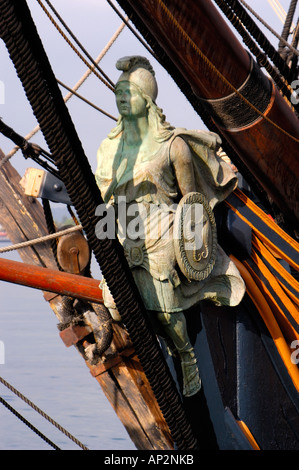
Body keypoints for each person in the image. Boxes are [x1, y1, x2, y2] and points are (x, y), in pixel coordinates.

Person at [95, 56, 245, 397]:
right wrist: (105, 247)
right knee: (116, 306)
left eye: (128, 92)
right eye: (117, 92)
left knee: (163, 302)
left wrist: (192, 248)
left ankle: (186, 355)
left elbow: (192, 201)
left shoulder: (172, 146)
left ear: (146, 99)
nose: (120, 98)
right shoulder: (108, 149)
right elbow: (103, 203)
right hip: (125, 226)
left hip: (163, 225)